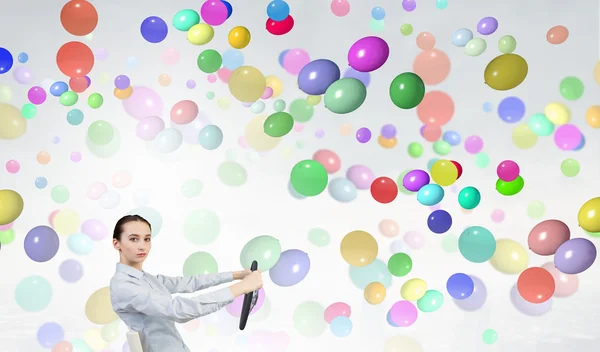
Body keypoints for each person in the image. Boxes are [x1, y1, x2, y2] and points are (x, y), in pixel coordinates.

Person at [109, 214, 263, 352]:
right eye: (133, 239)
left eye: (147, 239)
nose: (142, 245)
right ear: (117, 244)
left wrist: (237, 275)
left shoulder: (146, 279)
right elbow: (178, 310)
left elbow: (187, 283)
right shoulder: (124, 286)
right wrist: (242, 287)